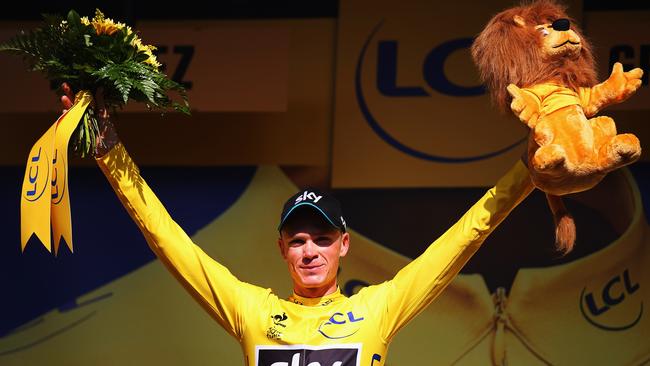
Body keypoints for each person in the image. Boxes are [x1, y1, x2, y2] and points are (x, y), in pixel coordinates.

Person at [61, 84, 534, 365]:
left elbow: (463, 238)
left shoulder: (377, 308)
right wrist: (108, 153)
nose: (310, 251)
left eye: (322, 239)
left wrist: (528, 173)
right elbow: (166, 238)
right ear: (282, 248)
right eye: (299, 240)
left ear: (344, 245)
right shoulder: (253, 311)